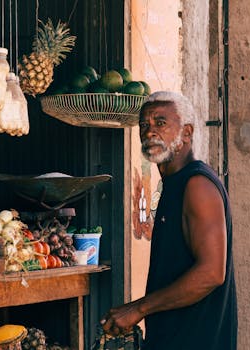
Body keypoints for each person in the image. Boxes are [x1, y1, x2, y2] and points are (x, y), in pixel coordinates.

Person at [101, 91, 237, 349]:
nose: (150, 132)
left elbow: (211, 273)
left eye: (161, 123)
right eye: (144, 125)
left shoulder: (197, 185)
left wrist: (138, 308)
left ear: (186, 132)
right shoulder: (174, 185)